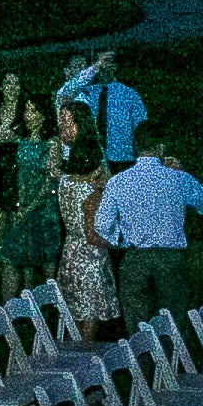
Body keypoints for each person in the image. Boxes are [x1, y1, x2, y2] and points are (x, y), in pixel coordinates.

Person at [94, 134, 203, 327]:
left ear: (136, 147)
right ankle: (169, 355)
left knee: (137, 324)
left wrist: (120, 239)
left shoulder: (118, 182)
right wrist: (183, 172)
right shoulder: (176, 178)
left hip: (135, 257)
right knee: (173, 323)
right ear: (161, 148)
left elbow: (101, 224)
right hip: (170, 258)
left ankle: (140, 356)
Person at [51, 98, 117, 336]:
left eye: (69, 123)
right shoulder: (66, 162)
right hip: (74, 248)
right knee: (75, 313)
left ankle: (84, 363)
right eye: (61, 122)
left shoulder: (96, 166)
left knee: (86, 312)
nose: (63, 129)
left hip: (88, 249)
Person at [0, 96, 57, 299]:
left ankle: (51, 308)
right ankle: (12, 311)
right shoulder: (22, 142)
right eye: (27, 110)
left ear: (44, 115)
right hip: (25, 206)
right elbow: (20, 176)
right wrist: (19, 205)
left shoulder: (51, 143)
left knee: (48, 264)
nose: (29, 116)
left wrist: (28, 208)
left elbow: (49, 184)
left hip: (44, 209)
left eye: (34, 111)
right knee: (14, 257)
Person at [56, 53, 146, 168]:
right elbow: (72, 86)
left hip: (120, 159)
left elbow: (140, 129)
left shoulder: (129, 95)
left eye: (109, 62)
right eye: (102, 62)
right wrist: (96, 66)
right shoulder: (75, 93)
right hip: (85, 158)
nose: (105, 67)